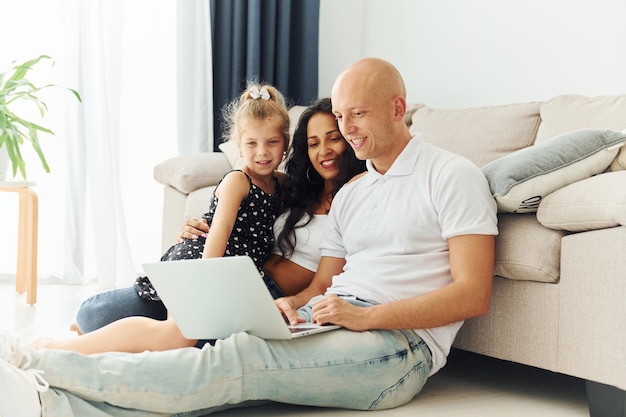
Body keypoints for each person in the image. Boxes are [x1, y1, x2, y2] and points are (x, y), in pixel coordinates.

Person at [0, 57, 498, 417]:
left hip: (399, 348)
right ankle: (52, 402)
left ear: (397, 107)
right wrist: (295, 306)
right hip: (333, 320)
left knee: (235, 363)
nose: (345, 129)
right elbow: (324, 282)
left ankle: (38, 366)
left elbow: (472, 294)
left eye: (357, 115)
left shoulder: (451, 175)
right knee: (218, 359)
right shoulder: (354, 193)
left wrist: (365, 315)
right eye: (340, 116)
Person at [30, 97, 367, 355]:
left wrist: (291, 303)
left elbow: (324, 281)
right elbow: (233, 218)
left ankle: (63, 348)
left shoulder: (358, 197)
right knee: (96, 313)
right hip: (228, 273)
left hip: (259, 293)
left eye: (333, 138)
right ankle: (89, 337)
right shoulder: (294, 188)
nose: (324, 150)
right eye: (313, 142)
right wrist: (201, 226)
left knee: (177, 335)